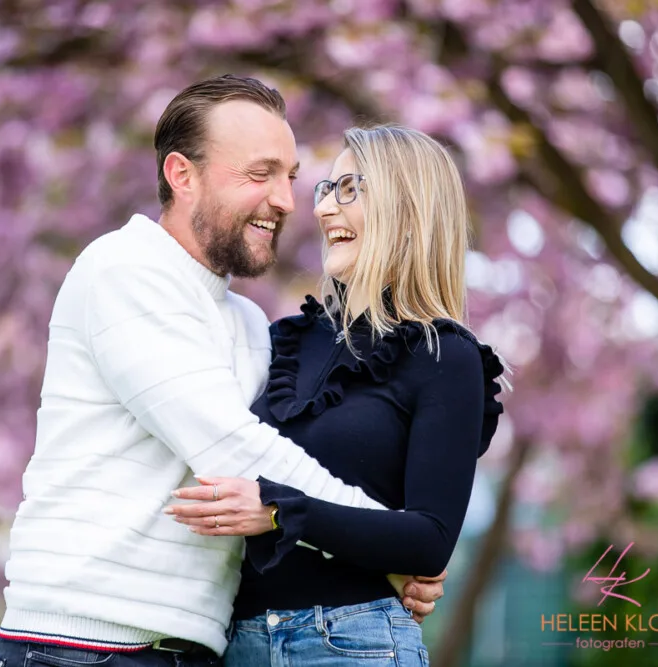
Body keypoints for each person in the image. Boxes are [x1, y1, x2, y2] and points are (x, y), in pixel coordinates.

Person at [0, 77, 446, 667]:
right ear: (182, 176)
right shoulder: (124, 269)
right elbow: (230, 447)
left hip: (195, 647)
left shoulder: (252, 325)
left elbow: (266, 491)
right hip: (82, 642)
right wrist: (390, 544)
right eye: (260, 174)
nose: (285, 199)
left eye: (289, 175)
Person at [167, 125, 507, 666]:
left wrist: (280, 511)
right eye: (327, 188)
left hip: (352, 643)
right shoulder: (277, 340)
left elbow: (430, 539)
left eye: (350, 189)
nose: (324, 210)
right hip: (236, 644)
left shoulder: (445, 357)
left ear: (407, 206)